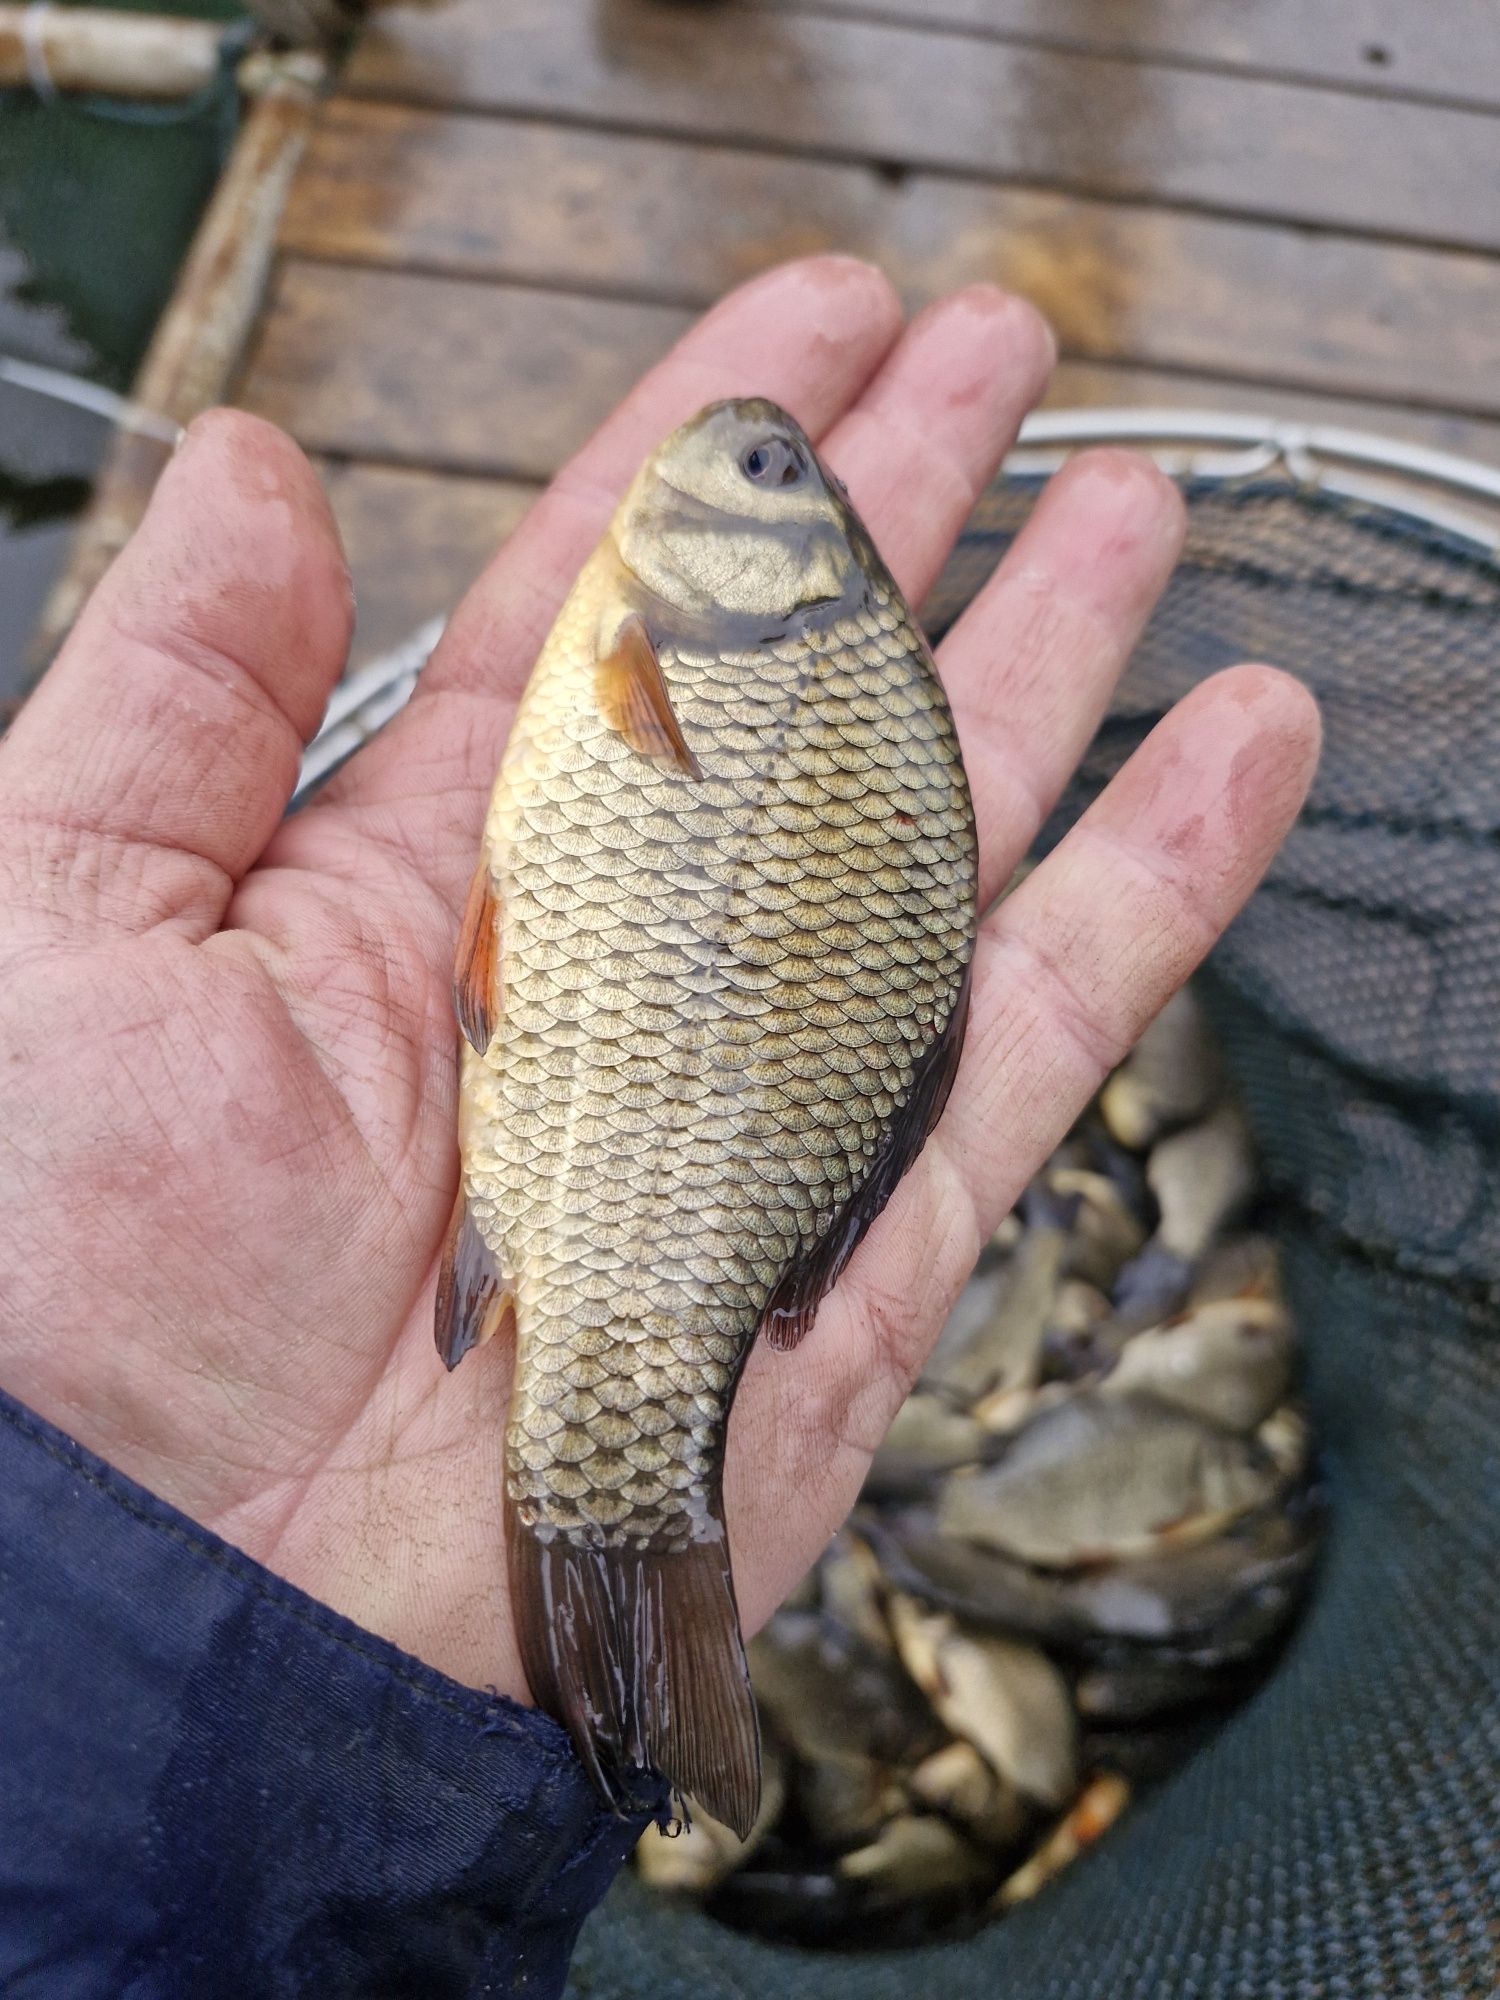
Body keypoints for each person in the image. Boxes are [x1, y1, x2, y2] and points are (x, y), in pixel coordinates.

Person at [0, 259, 1319, 1997]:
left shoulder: (684, 653)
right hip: (638, 1129)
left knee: (615, 1403)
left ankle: (629, 1604)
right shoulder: (708, 657)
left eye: (778, 485)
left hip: (648, 1151)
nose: (752, 462)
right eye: (784, 479)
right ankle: (634, 1646)